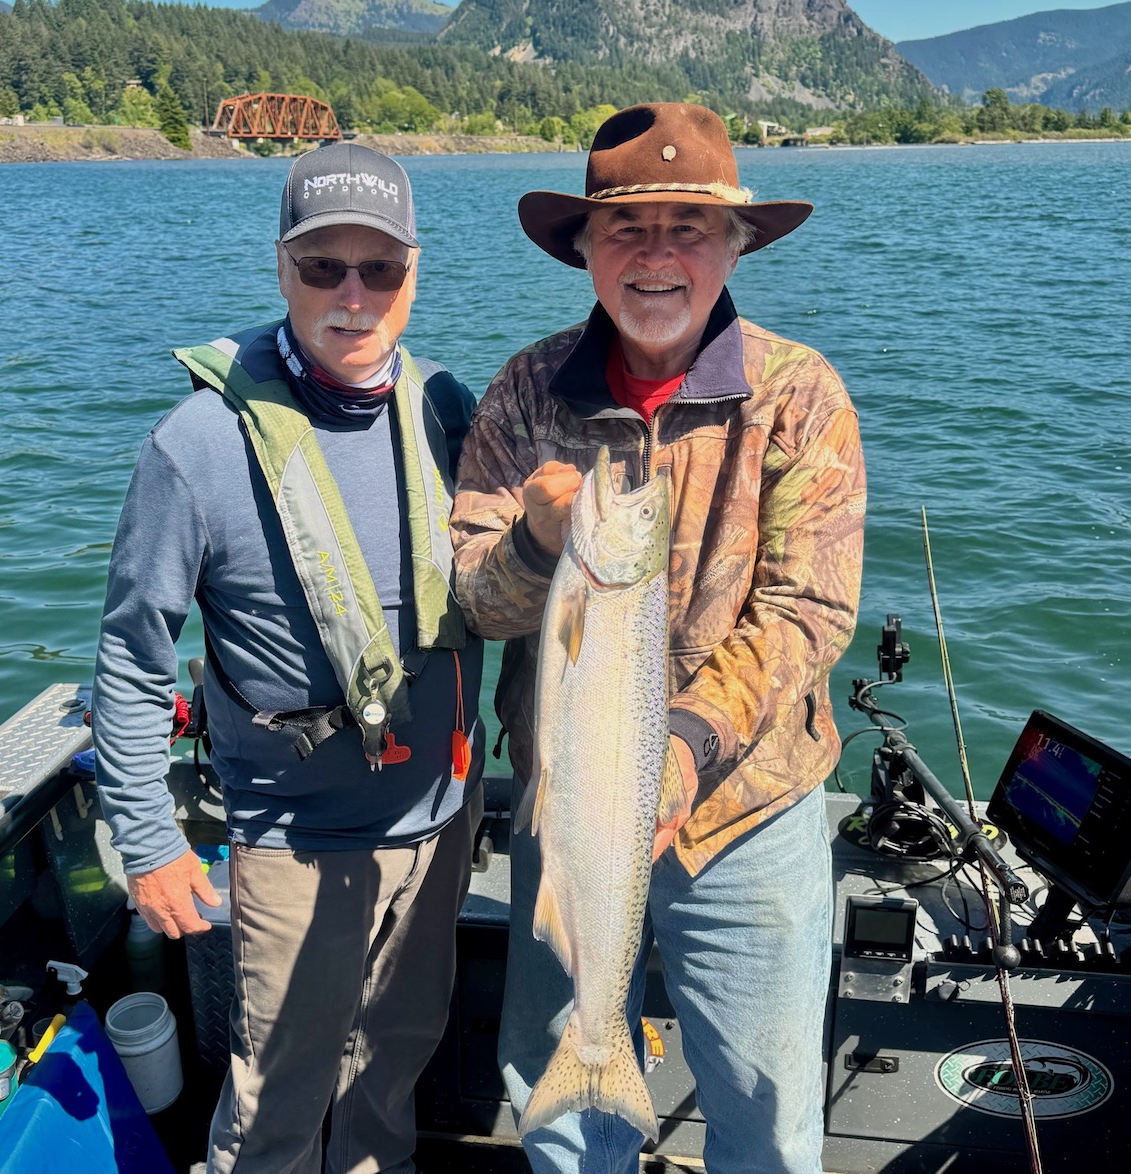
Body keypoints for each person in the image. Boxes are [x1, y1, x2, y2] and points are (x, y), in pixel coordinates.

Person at [449, 104, 865, 1174]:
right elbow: (472, 599)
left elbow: (808, 609)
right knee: (560, 1118)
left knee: (768, 1128)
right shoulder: (523, 393)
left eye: (689, 227)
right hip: (569, 810)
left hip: (746, 820)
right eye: (626, 229)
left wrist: (683, 742)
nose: (656, 256)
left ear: (736, 245)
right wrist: (536, 544)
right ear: (584, 249)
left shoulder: (800, 396)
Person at [90, 142, 485, 1174]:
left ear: (412, 273)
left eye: (379, 267)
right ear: (281, 268)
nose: (353, 297)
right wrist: (147, 837)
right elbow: (132, 658)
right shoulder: (195, 445)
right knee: (277, 1101)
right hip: (295, 840)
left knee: (394, 1065)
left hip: (441, 824)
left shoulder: (450, 408)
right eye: (323, 267)